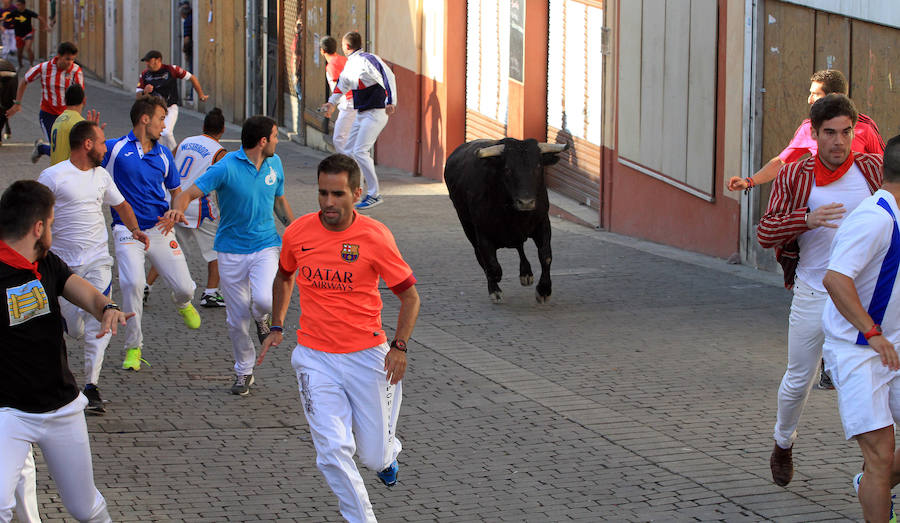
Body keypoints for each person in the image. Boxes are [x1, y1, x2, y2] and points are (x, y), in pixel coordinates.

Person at [257, 153, 420, 521]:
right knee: (332, 450)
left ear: (357, 194)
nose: (328, 202)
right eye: (323, 193)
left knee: (374, 457)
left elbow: (410, 296)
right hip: (314, 358)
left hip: (368, 357)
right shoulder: (298, 232)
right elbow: (284, 276)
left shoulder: (375, 237)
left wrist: (399, 347)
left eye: (338, 194)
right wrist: (277, 325)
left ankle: (387, 455)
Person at [756, 93, 884, 487]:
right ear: (814, 134)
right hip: (813, 292)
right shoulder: (796, 175)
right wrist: (806, 219)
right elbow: (765, 232)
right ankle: (783, 442)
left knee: (864, 382)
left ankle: (876, 468)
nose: (839, 141)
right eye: (830, 133)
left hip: (860, 298)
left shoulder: (871, 170)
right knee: (799, 378)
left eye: (846, 132)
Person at [0, 179, 128, 523]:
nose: (52, 232)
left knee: (86, 508)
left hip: (62, 407)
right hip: (9, 413)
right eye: (52, 224)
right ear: (38, 228)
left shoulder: (46, 263)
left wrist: (107, 307)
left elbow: (86, 293)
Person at [166, 115, 294, 395]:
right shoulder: (225, 167)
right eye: (275, 136)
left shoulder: (275, 163)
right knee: (236, 319)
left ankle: (261, 317)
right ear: (263, 141)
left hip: (266, 245)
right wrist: (177, 208)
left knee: (263, 300)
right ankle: (244, 370)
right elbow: (187, 194)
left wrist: (295, 231)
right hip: (230, 251)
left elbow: (279, 201)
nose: (277, 141)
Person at [39, 119, 149, 411]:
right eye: (101, 142)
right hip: (64, 269)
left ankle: (91, 386)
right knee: (76, 329)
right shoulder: (53, 176)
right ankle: (69, 324)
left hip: (98, 261)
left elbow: (121, 204)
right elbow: (35, 213)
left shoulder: (102, 175)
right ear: (87, 144)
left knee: (101, 318)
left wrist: (135, 230)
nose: (105, 148)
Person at [821, 134, 900, 523]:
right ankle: (876, 491)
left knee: (879, 467)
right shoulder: (874, 219)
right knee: (881, 452)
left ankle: (870, 484)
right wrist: (872, 332)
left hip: (892, 347)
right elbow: (835, 279)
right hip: (857, 351)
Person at [102, 95, 201, 371]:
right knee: (132, 284)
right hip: (126, 230)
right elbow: (83, 160)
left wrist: (176, 211)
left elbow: (176, 192)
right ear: (145, 119)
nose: (164, 125)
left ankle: (182, 302)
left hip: (160, 228)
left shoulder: (165, 154)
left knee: (185, 287)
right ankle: (134, 347)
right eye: (161, 119)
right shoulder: (114, 149)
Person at [729, 69, 884, 192]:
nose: (809, 100)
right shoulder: (808, 128)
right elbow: (782, 162)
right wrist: (749, 182)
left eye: (815, 94)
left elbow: (885, 166)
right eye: (829, 133)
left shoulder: (866, 127)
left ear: (834, 96)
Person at [320, 31, 397, 211]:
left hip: (376, 112)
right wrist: (331, 103)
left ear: (346, 46)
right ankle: (356, 190)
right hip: (362, 113)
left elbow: (388, 76)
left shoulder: (367, 59)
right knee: (349, 150)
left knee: (360, 151)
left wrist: (391, 101)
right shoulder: (351, 64)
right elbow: (342, 85)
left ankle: (374, 194)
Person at [168, 107, 228, 308]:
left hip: (176, 202)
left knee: (169, 247)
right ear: (223, 129)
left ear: (203, 126)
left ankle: (146, 286)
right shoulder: (220, 152)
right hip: (199, 206)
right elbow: (222, 183)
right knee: (216, 249)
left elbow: (170, 163)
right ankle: (210, 293)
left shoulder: (185, 142)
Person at [5, 41, 83, 163]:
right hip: (48, 114)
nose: (70, 63)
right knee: (57, 150)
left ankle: (41, 148)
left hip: (67, 115)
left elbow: (80, 96)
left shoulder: (76, 70)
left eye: (72, 59)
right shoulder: (44, 68)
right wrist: (17, 103)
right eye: (67, 59)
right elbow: (24, 80)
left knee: (72, 147)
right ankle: (42, 149)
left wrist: (77, 116)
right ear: (59, 56)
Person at [136, 50, 208, 151]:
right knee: (157, 135)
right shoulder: (144, 75)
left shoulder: (172, 69)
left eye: (149, 61)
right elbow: (138, 97)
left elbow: (192, 78)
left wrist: (201, 95)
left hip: (170, 108)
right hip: (154, 111)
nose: (147, 63)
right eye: (146, 61)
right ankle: (160, 154)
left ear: (158, 60)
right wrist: (145, 91)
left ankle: (176, 154)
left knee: (166, 133)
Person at [48, 84, 102, 165]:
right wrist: (93, 134)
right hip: (68, 171)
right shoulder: (80, 124)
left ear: (65, 100)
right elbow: (90, 155)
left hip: (54, 170)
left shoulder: (58, 120)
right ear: (84, 100)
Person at [320, 35, 355, 154]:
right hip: (357, 101)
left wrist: (331, 105)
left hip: (349, 102)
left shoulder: (331, 66)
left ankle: (348, 163)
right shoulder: (344, 60)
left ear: (322, 51)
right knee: (351, 139)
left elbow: (338, 89)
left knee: (339, 139)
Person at [8, 0, 49, 69]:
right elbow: (5, 18)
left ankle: (31, 65)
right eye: (17, 5)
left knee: (28, 48)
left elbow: (40, 17)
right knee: (19, 52)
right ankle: (20, 65)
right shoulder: (14, 13)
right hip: (18, 35)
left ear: (23, 5)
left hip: (28, 33)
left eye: (19, 5)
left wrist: (45, 26)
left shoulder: (28, 12)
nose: (18, 7)